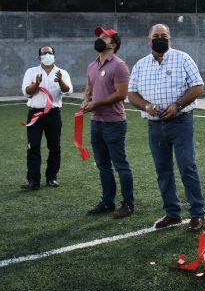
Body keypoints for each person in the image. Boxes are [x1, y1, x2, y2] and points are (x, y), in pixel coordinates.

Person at [127, 24, 205, 232]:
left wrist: (177, 105)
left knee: (187, 166)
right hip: (155, 126)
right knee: (163, 170)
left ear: (170, 38)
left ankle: (197, 214)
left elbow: (198, 86)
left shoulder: (183, 59)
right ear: (148, 40)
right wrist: (146, 106)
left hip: (181, 122)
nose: (160, 39)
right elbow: (132, 93)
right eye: (156, 36)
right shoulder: (141, 65)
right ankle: (172, 213)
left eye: (164, 36)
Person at [82, 27, 135, 219]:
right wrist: (86, 99)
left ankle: (128, 204)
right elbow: (89, 88)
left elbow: (121, 94)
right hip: (96, 122)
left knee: (120, 165)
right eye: (99, 36)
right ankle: (107, 201)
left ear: (113, 44)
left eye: (104, 37)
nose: (99, 39)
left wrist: (96, 103)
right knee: (103, 165)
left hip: (114, 123)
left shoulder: (119, 66)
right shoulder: (92, 65)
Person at [20, 46, 72, 190]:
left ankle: (52, 178)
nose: (47, 55)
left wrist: (61, 81)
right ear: (38, 57)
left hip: (53, 114)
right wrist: (36, 84)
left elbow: (68, 91)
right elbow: (26, 92)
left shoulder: (62, 72)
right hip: (35, 114)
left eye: (50, 53)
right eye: (44, 53)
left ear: (55, 56)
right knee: (33, 147)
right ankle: (33, 180)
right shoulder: (31, 72)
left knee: (54, 147)